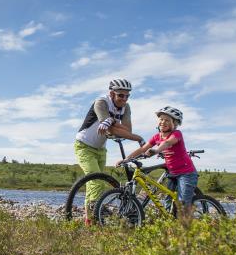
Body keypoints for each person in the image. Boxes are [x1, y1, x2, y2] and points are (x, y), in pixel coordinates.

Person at [75, 79, 145, 224]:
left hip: (101, 149)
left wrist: (112, 122)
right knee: (96, 181)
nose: (124, 99)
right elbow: (110, 129)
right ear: (112, 93)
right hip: (84, 145)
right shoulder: (101, 102)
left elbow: (127, 130)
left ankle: (89, 220)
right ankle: (96, 212)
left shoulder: (126, 107)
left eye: (127, 96)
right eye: (120, 95)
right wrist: (131, 135)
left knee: (94, 183)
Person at [116, 106, 197, 219]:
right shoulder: (156, 137)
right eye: (161, 119)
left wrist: (156, 150)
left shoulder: (176, 134)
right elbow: (142, 149)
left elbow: (168, 143)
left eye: (167, 120)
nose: (163, 122)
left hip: (186, 173)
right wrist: (126, 159)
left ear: (175, 124)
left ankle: (187, 228)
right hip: (172, 173)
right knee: (168, 201)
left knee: (183, 203)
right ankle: (173, 224)